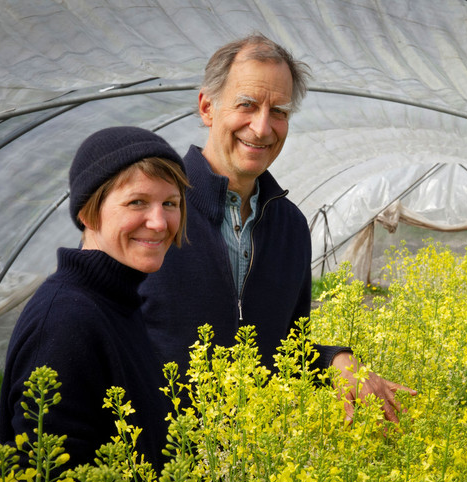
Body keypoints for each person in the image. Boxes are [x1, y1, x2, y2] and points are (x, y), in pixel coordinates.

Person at [139, 34, 415, 421]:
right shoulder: (150, 210)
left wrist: (337, 361)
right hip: (158, 462)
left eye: (279, 111)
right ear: (207, 107)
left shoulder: (290, 226)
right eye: (247, 105)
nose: (263, 127)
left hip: (255, 466)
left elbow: (287, 348)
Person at [0, 126, 189, 475]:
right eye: (137, 202)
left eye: (170, 203)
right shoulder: (66, 321)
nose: (160, 222)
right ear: (88, 212)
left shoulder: (118, 301)